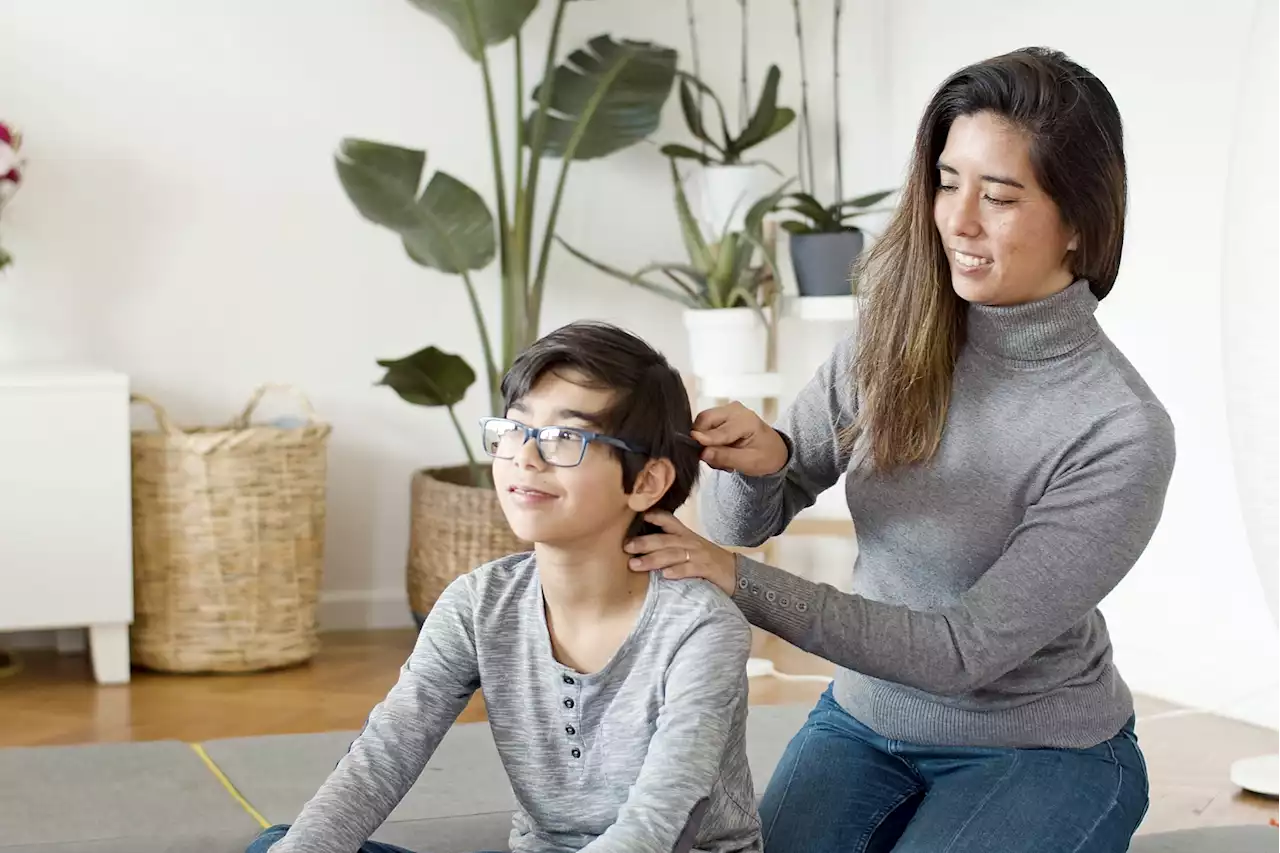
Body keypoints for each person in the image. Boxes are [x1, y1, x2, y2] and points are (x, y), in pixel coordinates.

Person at [623, 46, 1176, 853]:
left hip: (1039, 748)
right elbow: (749, 520)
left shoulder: (1119, 429)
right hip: (863, 721)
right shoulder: (896, 330)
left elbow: (962, 652)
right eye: (948, 182)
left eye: (1000, 195)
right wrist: (764, 459)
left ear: (1082, 220)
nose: (959, 219)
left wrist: (735, 580)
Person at [249, 321, 761, 853]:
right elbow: (384, 754)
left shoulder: (700, 626)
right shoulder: (478, 604)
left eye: (565, 437)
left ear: (646, 481)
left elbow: (659, 819)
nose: (526, 457)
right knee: (284, 844)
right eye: (515, 430)